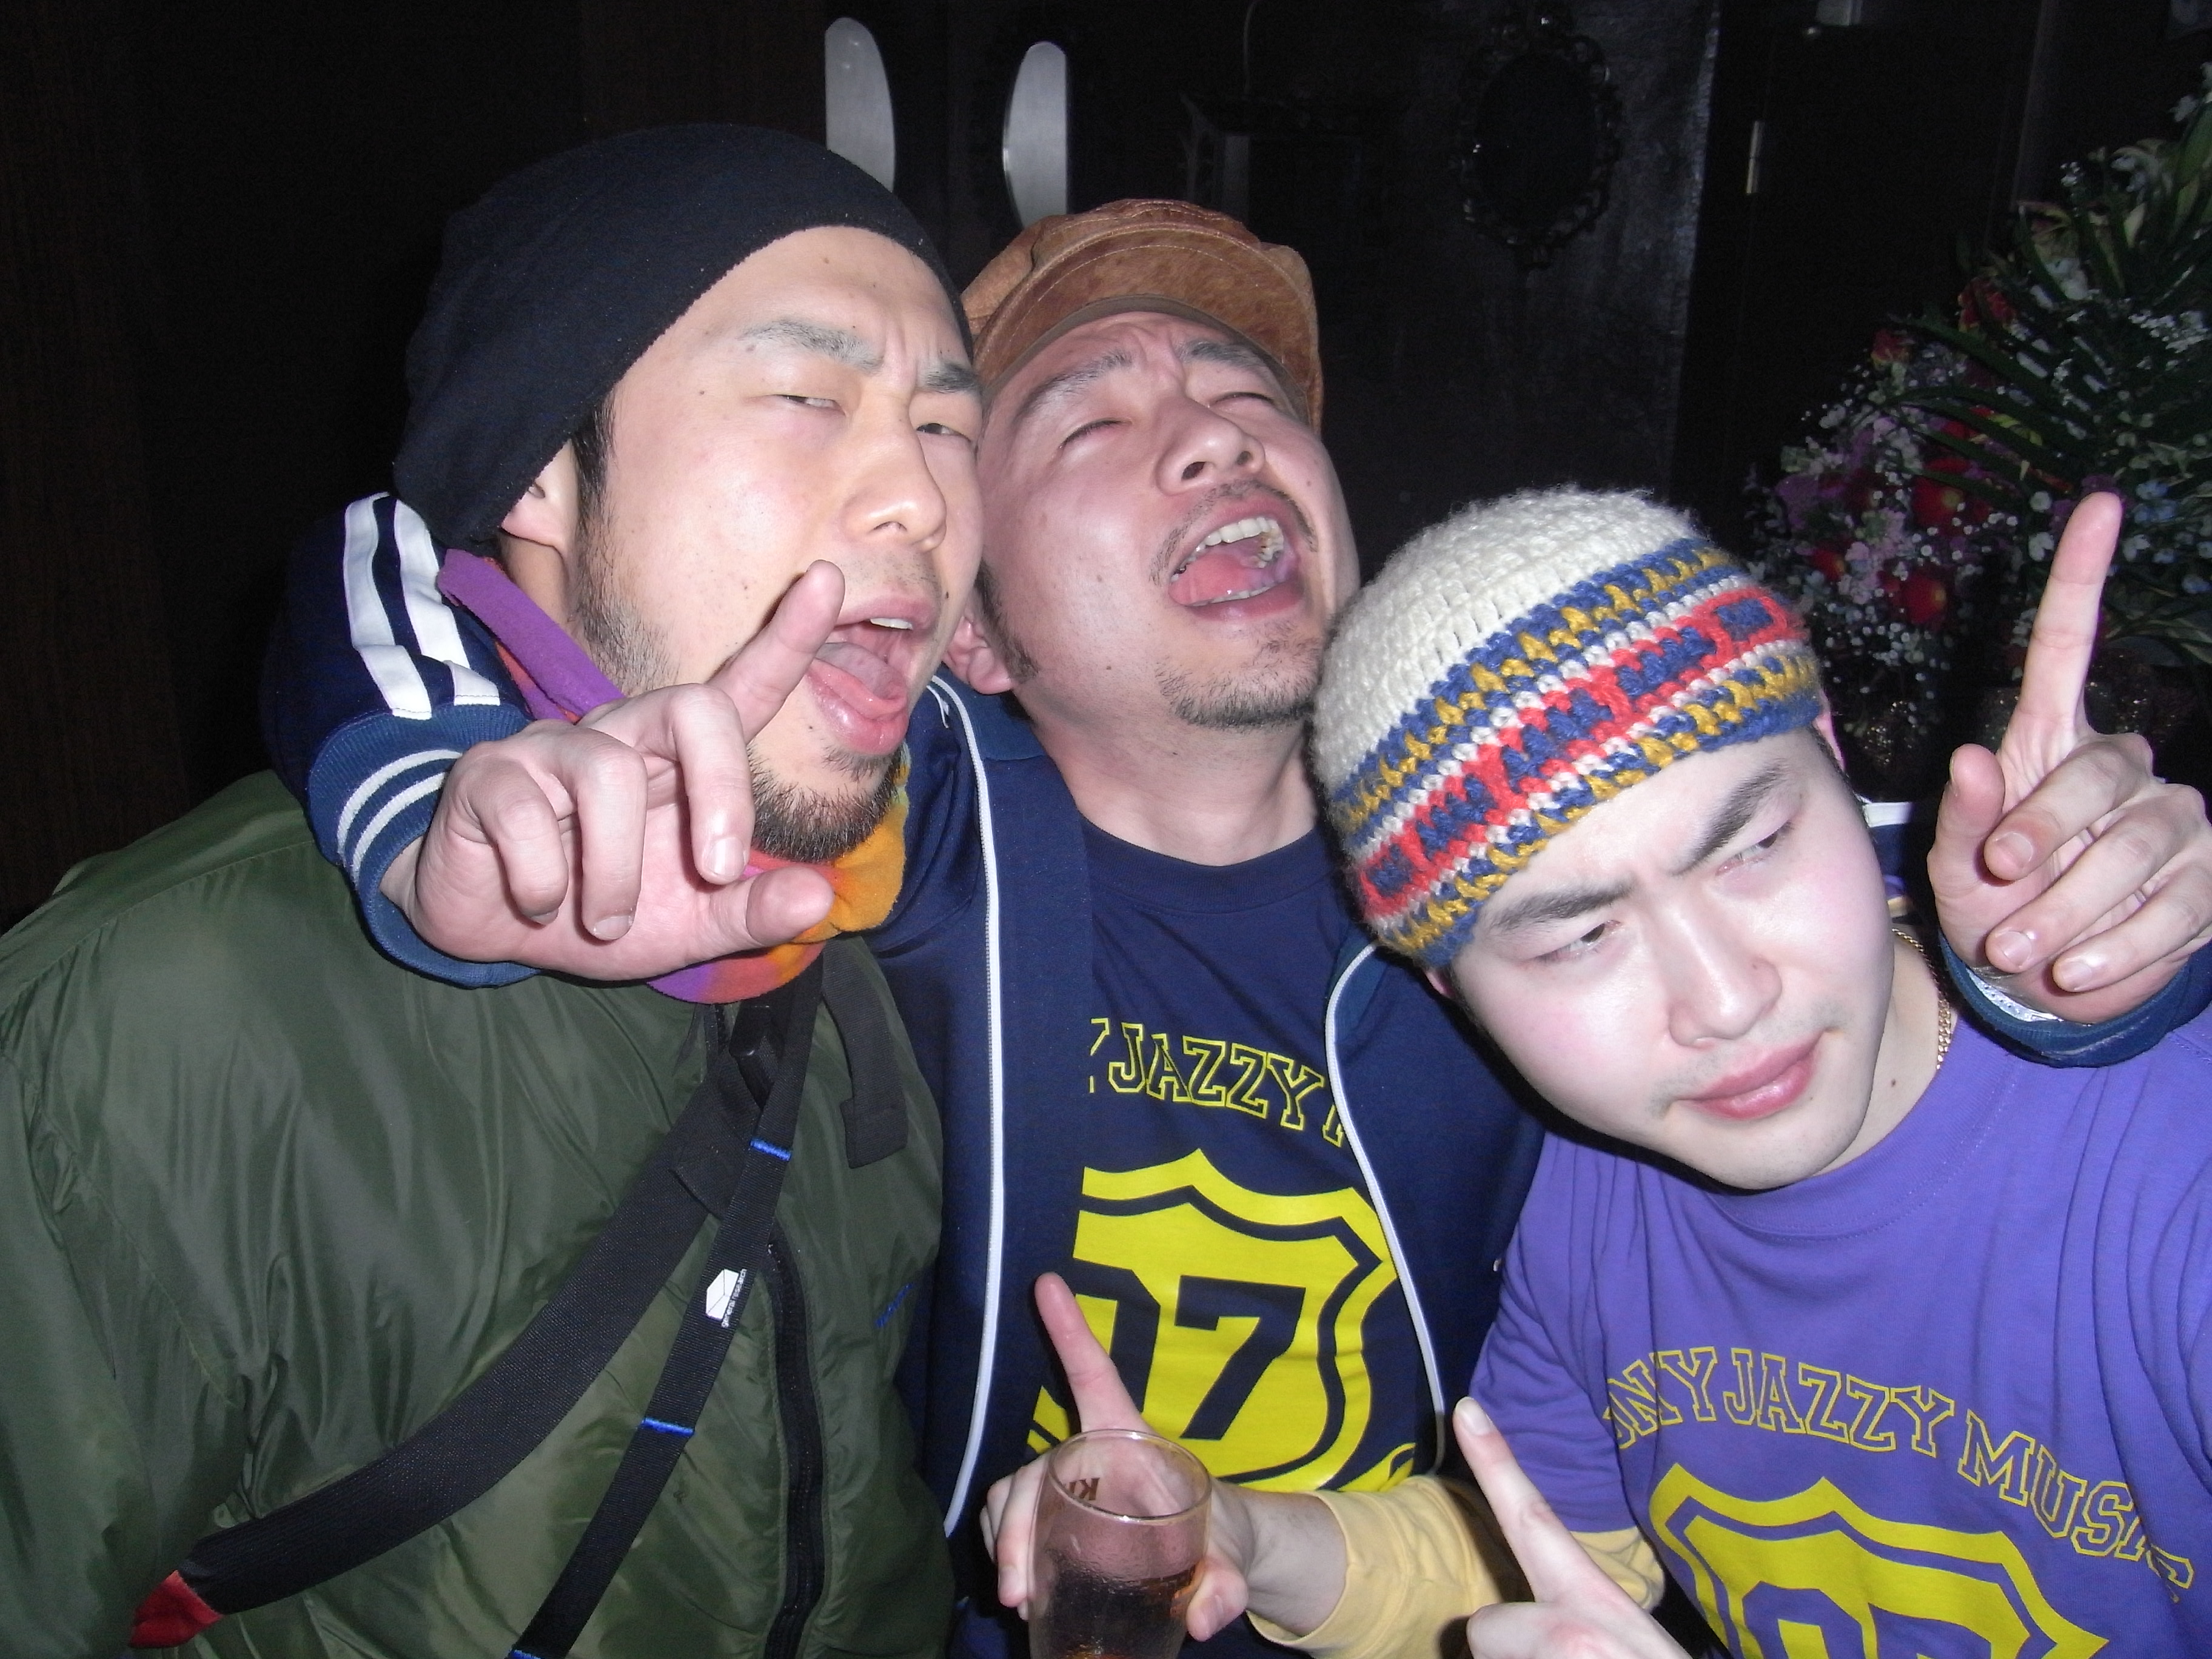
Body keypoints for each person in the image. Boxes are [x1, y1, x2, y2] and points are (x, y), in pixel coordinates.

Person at [261, 203, 2212, 1656]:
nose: (1211, 437)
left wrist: (2078, 944)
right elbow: (428, 550)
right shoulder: (912, 840)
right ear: (974, 628)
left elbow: (1796, 847)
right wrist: (426, 804)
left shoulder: (1506, 855)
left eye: (1246, 394)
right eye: (1087, 425)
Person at [0, 127, 977, 1658]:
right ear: (534, 464)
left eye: (947, 425)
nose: (918, 495)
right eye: (806, 396)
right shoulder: (157, 1022)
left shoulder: (856, 978)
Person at [990, 486, 2212, 1658]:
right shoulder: (1586, 1201)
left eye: (1755, 846)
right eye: (1580, 938)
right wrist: (1243, 1533)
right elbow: (1549, 1563)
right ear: (1448, 990)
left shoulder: (2168, 1172)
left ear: (1835, 752)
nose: (1725, 1000)